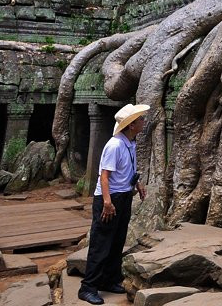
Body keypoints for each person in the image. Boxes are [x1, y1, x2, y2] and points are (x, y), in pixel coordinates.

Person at [78, 103, 149, 305]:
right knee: (101, 243)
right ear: (131, 125)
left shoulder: (130, 143)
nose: (144, 122)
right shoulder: (115, 145)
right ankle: (88, 287)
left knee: (117, 241)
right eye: (141, 120)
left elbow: (128, 171)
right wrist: (108, 203)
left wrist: (138, 185)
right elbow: (105, 176)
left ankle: (109, 279)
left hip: (123, 196)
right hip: (109, 199)